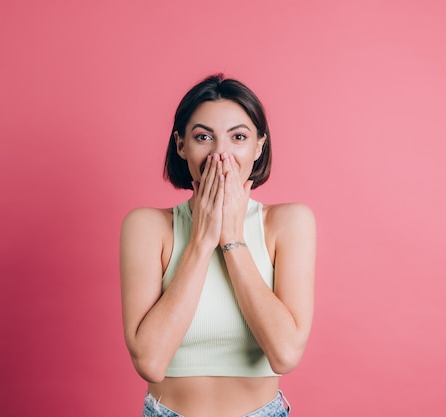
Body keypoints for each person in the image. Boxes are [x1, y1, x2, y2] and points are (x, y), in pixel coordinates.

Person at [120, 74, 316, 417]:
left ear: (259, 146)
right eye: (203, 137)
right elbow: (150, 362)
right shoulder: (147, 227)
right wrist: (202, 240)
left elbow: (285, 355)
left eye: (238, 137)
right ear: (181, 146)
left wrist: (232, 239)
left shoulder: (288, 223)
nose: (220, 153)